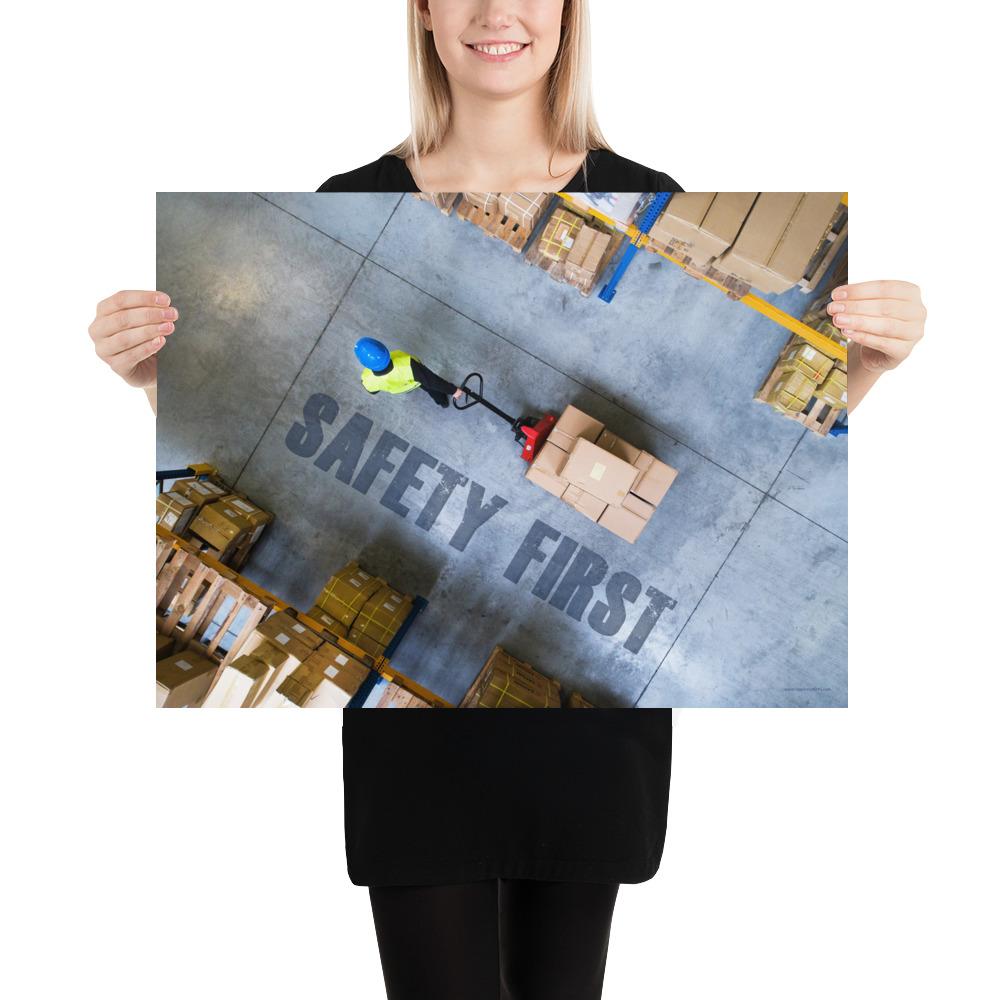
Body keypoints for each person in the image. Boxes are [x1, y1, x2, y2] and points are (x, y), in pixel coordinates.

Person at [90, 2, 926, 997]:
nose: (497, 11)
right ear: (424, 15)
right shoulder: (350, 196)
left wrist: (863, 370)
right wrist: (152, 382)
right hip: (421, 768)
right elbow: (389, 376)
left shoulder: (648, 193)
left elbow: (816, 447)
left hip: (584, 767)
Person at [354, 337, 465, 408]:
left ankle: (442, 403)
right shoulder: (408, 365)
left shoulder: (367, 379)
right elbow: (432, 381)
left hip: (401, 388)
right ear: (384, 350)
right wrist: (453, 390)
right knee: (431, 388)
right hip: (416, 381)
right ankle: (442, 401)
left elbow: (373, 391)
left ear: (365, 364)